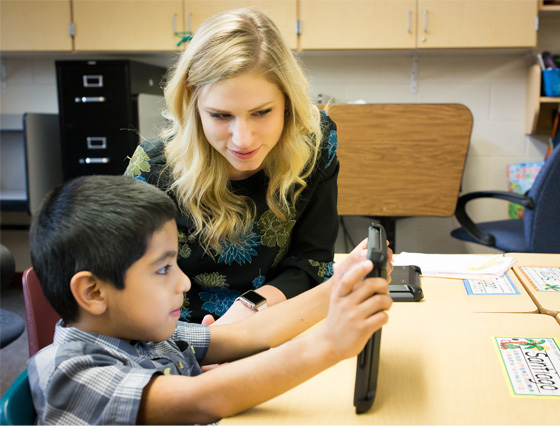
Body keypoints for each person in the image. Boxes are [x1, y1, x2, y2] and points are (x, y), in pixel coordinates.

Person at [27, 175, 392, 425]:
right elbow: (203, 398)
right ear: (93, 292)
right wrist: (330, 343)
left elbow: (248, 335)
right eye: (163, 269)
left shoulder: (143, 332)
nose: (183, 282)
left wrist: (339, 286)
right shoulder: (71, 374)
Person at [124, 7, 340, 324]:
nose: (243, 139)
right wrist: (204, 344)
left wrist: (244, 314)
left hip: (274, 318)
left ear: (287, 102)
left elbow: (312, 261)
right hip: (174, 336)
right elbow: (126, 282)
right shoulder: (153, 169)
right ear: (192, 101)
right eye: (221, 115)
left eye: (262, 112)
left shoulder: (314, 144)